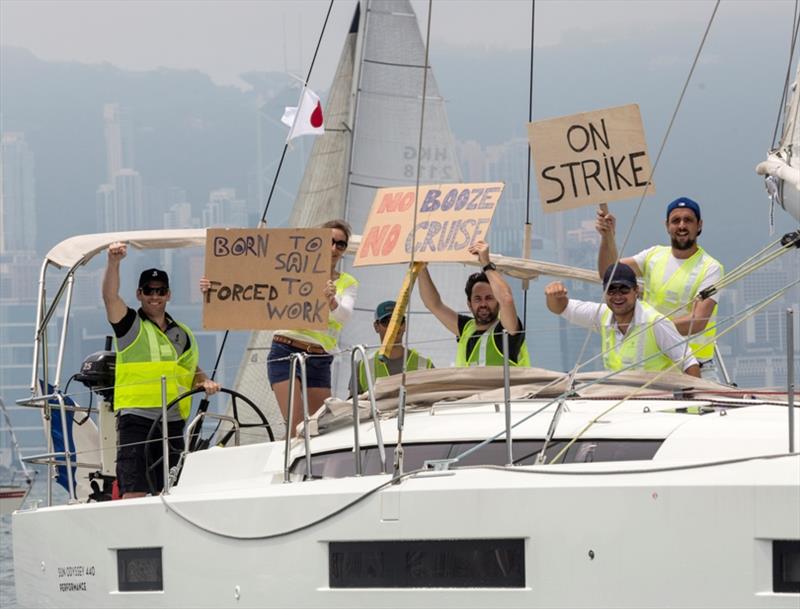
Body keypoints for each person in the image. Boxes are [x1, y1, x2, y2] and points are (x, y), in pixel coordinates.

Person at [202, 220, 358, 435]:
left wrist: (331, 300)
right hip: (286, 349)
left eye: (340, 244)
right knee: (296, 426)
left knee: (321, 427)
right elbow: (252, 281)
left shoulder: (347, 282)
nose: (334, 248)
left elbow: (344, 316)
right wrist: (215, 285)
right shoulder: (290, 267)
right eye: (329, 241)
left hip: (320, 357)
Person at [103, 242, 220, 499]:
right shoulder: (130, 325)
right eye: (149, 291)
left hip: (173, 421)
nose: (154, 296)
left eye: (160, 291)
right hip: (137, 419)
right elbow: (110, 297)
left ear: (168, 294)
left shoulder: (182, 333)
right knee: (134, 490)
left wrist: (205, 381)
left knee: (170, 491)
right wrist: (114, 263)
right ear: (139, 294)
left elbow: (187, 367)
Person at [596, 197, 723, 377]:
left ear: (699, 225)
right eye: (675, 220)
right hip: (655, 369)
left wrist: (647, 331)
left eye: (688, 220)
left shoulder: (710, 268)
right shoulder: (653, 256)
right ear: (667, 225)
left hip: (697, 368)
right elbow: (608, 273)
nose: (681, 226)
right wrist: (607, 237)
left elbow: (698, 321)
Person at [545, 263, 700, 377]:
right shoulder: (602, 314)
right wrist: (554, 294)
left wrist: (695, 403)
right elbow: (561, 308)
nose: (618, 296)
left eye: (624, 289)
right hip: (618, 404)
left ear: (636, 291)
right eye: (611, 290)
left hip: (656, 405)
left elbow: (689, 362)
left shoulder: (655, 322)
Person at [417, 240, 530, 367]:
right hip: (468, 387)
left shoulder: (506, 329)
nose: (483, 303)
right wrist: (421, 268)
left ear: (498, 301)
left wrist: (486, 264)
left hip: (506, 388)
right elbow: (433, 304)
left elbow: (506, 299)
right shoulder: (466, 329)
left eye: (489, 298)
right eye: (477, 299)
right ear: (469, 305)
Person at [355, 300, 434, 394]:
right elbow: (352, 406)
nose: (393, 327)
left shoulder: (425, 365)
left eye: (398, 320)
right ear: (376, 327)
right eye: (386, 322)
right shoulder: (363, 367)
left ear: (404, 325)